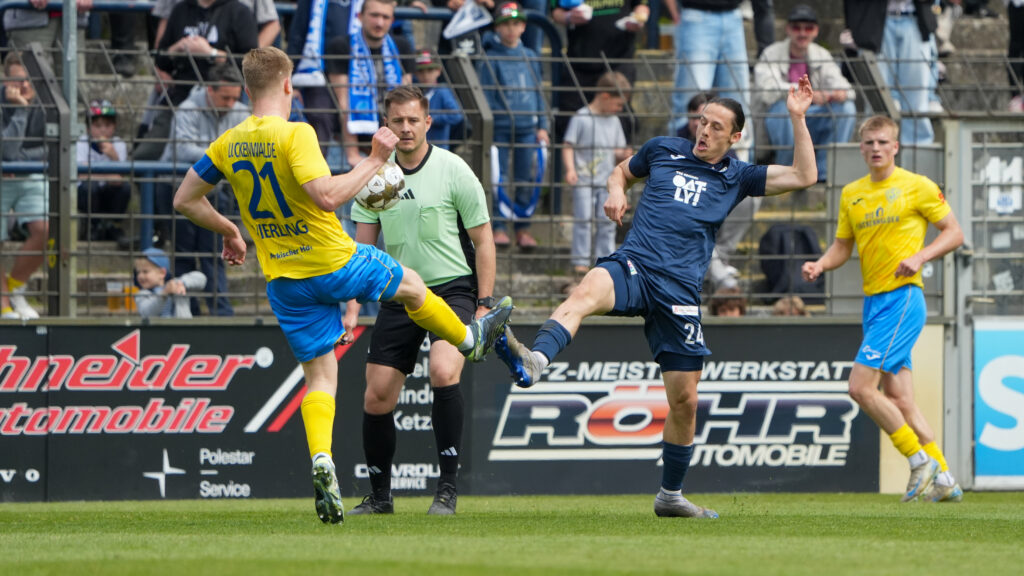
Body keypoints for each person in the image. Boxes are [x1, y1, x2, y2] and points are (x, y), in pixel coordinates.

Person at [172, 46, 514, 524]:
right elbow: (327, 196)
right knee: (414, 287)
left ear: (247, 90)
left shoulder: (227, 142)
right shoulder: (296, 133)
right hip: (333, 262)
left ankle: (321, 459)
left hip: (285, 281)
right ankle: (469, 337)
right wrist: (374, 159)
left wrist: (230, 230)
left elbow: (185, 199)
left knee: (320, 378)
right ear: (288, 85)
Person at [496, 75, 819, 518]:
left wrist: (797, 117)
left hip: (681, 291)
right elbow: (621, 172)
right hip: (637, 265)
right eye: (702, 122)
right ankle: (535, 361)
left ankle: (670, 496)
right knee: (586, 289)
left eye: (716, 127)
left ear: (736, 137)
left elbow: (806, 175)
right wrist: (615, 192)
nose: (704, 131)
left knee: (684, 401)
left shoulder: (738, 176)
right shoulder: (663, 149)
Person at [342, 86, 497, 515]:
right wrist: (354, 306)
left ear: (428, 122)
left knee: (445, 371)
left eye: (414, 120)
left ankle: (446, 490)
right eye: (398, 121)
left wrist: (484, 303)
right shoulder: (376, 176)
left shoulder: (454, 169)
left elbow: (484, 241)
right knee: (376, 398)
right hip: (399, 290)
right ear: (385, 125)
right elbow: (363, 252)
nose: (406, 128)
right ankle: (380, 498)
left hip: (453, 290)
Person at [801, 115, 964, 503]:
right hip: (875, 302)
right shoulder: (852, 193)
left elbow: (955, 233)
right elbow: (843, 246)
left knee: (859, 387)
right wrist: (821, 264)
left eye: (882, 142)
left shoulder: (917, 186)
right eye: (869, 143)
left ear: (896, 147)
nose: (875, 148)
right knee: (900, 398)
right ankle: (944, 480)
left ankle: (917, 459)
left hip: (903, 297)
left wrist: (921, 256)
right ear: (861, 148)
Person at [160, 63, 250, 316]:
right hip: (178, 188)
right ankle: (185, 310)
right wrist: (225, 157)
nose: (231, 104)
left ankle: (220, 310)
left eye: (235, 97)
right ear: (209, 90)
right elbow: (183, 149)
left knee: (215, 254)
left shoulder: (242, 113)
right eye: (225, 97)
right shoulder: (187, 109)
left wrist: (220, 159)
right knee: (184, 254)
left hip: (216, 193)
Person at [754, 4, 856, 183]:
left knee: (846, 108)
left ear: (816, 31)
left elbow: (848, 89)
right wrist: (807, 94)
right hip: (780, 120)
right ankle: (786, 171)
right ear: (788, 29)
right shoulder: (771, 53)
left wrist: (840, 93)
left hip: (812, 118)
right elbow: (767, 90)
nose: (802, 33)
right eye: (797, 28)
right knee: (782, 109)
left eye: (808, 28)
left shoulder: (821, 54)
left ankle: (825, 174)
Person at [478, 1, 550, 248]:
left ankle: (522, 227)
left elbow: (538, 91)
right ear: (497, 28)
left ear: (523, 26)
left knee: (525, 178)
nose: (510, 29)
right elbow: (485, 94)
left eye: (516, 23)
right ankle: (498, 225)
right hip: (499, 128)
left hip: (527, 129)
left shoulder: (530, 56)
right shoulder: (489, 57)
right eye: (505, 24)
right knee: (499, 177)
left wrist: (543, 124)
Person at [325, 0, 414, 167]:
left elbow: (406, 99)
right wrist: (353, 155)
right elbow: (344, 104)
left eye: (385, 17)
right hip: (353, 136)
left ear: (392, 21)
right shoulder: (341, 46)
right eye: (374, 15)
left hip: (391, 131)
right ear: (360, 17)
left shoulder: (402, 47)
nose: (379, 23)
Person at [563, 71, 631, 276]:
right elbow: (568, 145)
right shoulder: (582, 118)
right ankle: (581, 260)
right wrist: (570, 169)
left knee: (607, 222)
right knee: (583, 220)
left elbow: (617, 150)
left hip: (606, 181)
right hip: (584, 179)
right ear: (605, 96)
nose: (619, 109)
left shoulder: (614, 121)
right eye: (618, 104)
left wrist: (624, 154)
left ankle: (605, 258)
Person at [1, 52, 47, 321]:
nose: (25, 86)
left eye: (29, 80)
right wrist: (20, 110)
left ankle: (15, 287)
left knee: (46, 229)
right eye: (18, 80)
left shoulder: (48, 100)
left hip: (31, 174)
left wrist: (20, 160)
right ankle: (3, 304)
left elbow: (54, 148)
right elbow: (7, 152)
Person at [669, 0, 751, 146]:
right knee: (692, 105)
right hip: (696, 14)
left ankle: (740, 166)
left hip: (734, 15)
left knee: (738, 109)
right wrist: (675, 13)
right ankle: (678, 164)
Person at [77, 99, 131, 243]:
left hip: (108, 192)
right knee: (90, 187)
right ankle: (94, 227)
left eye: (107, 125)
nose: (103, 130)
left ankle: (113, 226)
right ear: (88, 128)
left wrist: (113, 156)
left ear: (114, 127)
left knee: (125, 187)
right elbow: (81, 174)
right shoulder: (81, 143)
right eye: (98, 125)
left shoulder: (118, 144)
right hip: (86, 194)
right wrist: (109, 175)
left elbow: (120, 178)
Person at [134, 248, 208, 319]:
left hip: (182, 330)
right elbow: (147, 313)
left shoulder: (177, 284)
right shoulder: (141, 294)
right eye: (138, 272)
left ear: (162, 273)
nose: (140, 276)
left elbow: (201, 278)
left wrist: (182, 283)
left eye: (145, 272)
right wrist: (164, 294)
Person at [412, 49, 463, 150]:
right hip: (418, 148)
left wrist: (433, 119)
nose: (426, 75)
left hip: (439, 147)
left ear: (438, 71)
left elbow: (457, 115)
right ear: (416, 74)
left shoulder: (442, 91)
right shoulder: (415, 93)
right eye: (421, 71)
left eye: (430, 70)